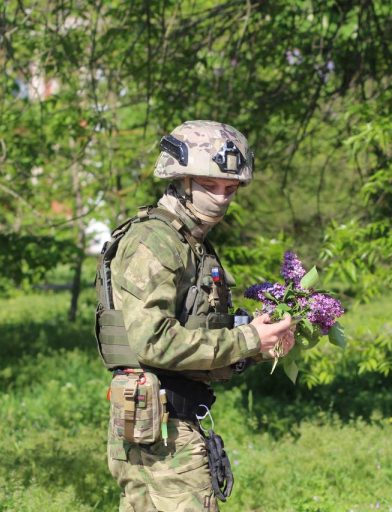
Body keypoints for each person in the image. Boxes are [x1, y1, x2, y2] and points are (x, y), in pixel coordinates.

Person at [95, 120, 295, 511]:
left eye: (230, 188)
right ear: (180, 180)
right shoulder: (156, 241)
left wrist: (258, 342)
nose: (221, 198)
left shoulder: (190, 243)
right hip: (163, 434)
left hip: (164, 424)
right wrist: (249, 339)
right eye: (209, 185)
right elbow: (150, 341)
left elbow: (197, 329)